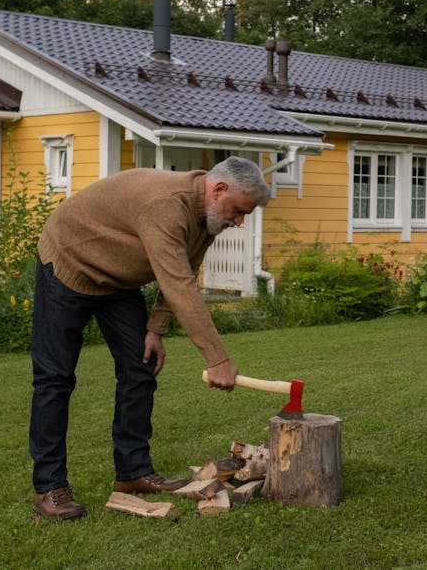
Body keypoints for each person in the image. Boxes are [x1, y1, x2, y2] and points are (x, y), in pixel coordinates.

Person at [29, 155, 271, 521]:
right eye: (239, 211)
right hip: (69, 263)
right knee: (55, 378)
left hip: (118, 279)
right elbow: (179, 286)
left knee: (140, 367)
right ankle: (50, 487)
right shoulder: (167, 206)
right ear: (219, 190)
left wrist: (155, 329)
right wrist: (217, 359)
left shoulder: (207, 218)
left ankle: (133, 472)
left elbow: (185, 268)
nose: (239, 221)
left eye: (244, 216)